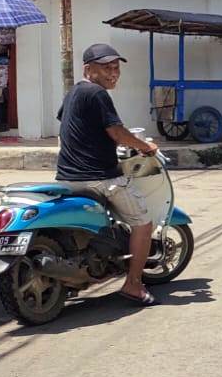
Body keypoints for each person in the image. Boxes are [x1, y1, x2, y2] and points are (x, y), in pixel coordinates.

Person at [56, 44, 162, 307]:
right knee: (143, 224)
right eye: (106, 68)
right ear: (88, 69)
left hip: (67, 177)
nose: (112, 73)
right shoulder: (97, 93)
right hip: (99, 178)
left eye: (115, 68)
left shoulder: (74, 93)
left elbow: (69, 122)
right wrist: (144, 146)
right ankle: (134, 285)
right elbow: (116, 131)